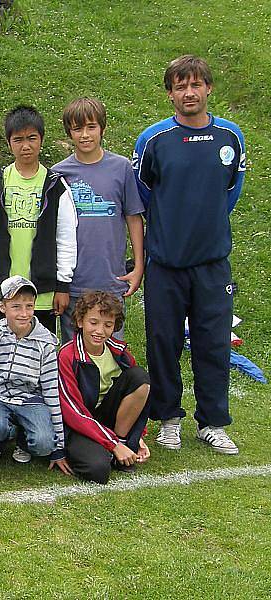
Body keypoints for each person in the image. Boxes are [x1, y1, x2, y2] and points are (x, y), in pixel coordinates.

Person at [133, 55, 246, 454]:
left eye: (195, 85)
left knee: (212, 341)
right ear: (170, 94)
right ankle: (168, 419)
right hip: (165, 262)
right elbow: (144, 197)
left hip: (212, 263)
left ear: (208, 89)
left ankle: (213, 422)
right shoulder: (153, 140)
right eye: (180, 86)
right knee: (162, 341)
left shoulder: (230, 137)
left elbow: (230, 193)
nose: (189, 92)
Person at [52, 97, 145, 343]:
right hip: (74, 282)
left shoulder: (121, 168)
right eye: (77, 129)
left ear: (102, 128)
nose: (84, 135)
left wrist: (138, 266)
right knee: (74, 351)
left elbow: (134, 218)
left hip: (111, 279)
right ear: (69, 132)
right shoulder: (59, 173)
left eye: (91, 127)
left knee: (112, 351)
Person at [0, 105, 77, 335]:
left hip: (43, 293)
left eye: (32, 138)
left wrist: (62, 285)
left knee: (41, 352)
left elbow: (66, 236)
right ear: (9, 143)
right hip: (5, 290)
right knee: (5, 350)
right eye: (18, 139)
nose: (26, 146)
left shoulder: (54, 185)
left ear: (41, 140)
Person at [0, 276, 72, 475]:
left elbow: (51, 391)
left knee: (44, 444)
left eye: (29, 306)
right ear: (2, 307)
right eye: (16, 306)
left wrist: (58, 447)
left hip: (31, 400)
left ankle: (24, 440)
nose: (23, 313)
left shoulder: (46, 344)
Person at [58, 291, 151, 484]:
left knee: (140, 377)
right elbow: (73, 413)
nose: (100, 331)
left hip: (108, 420)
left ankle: (124, 443)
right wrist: (112, 444)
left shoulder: (120, 352)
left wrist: (138, 436)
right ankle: (111, 450)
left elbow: (136, 395)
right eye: (94, 322)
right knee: (98, 470)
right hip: (80, 424)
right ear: (80, 321)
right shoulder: (67, 355)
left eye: (108, 325)